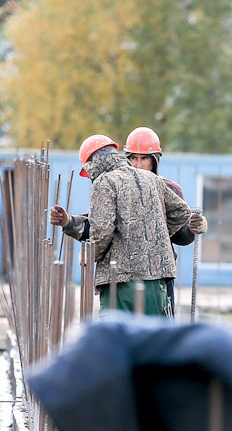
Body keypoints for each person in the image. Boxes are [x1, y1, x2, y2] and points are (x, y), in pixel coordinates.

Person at [49, 133, 190, 315]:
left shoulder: (105, 181)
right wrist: (153, 236)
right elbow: (182, 211)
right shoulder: (152, 179)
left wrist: (90, 254)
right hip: (158, 280)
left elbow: (102, 230)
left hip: (121, 281)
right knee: (154, 332)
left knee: (117, 332)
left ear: (93, 164)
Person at [124, 126, 208, 311]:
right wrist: (90, 244)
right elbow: (103, 223)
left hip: (159, 276)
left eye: (144, 158)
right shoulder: (116, 188)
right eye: (133, 158)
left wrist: (192, 229)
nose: (138, 165)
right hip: (124, 274)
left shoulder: (169, 189)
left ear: (155, 160)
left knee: (160, 326)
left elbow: (178, 235)